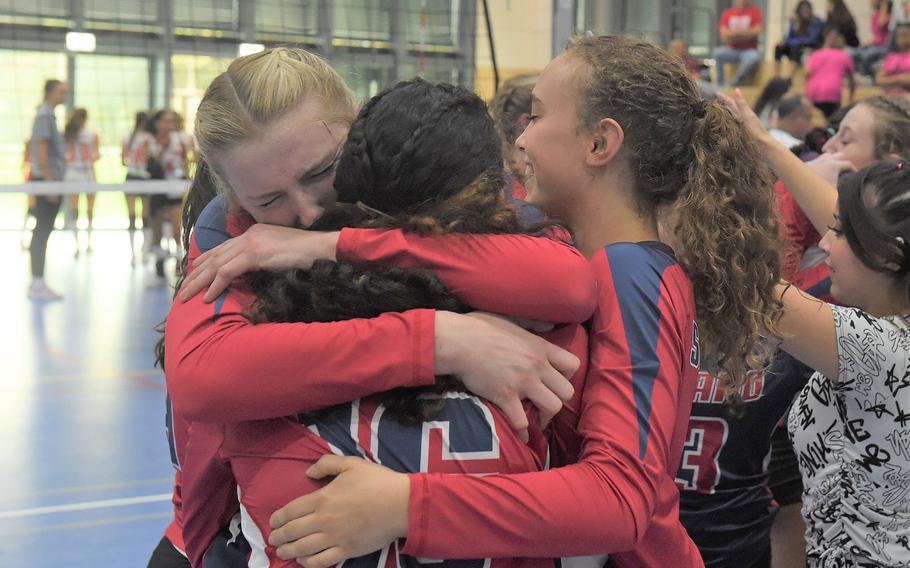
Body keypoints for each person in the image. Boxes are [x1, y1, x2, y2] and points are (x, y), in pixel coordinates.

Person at [206, 34, 782, 568]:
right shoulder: (580, 257)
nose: (521, 137)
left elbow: (622, 498)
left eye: (535, 116)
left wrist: (407, 504)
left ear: (601, 142)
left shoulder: (628, 268)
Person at [152, 47, 593, 568]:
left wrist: (335, 245)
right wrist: (441, 340)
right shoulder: (228, 229)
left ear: (357, 126)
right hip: (230, 531)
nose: (308, 210)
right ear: (234, 197)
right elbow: (204, 377)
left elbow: (566, 284)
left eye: (322, 170)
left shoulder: (430, 170)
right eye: (269, 200)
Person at [723, 87, 910, 568]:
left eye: (841, 232)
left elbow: (737, 275)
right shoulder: (883, 320)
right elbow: (864, 219)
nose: (825, 241)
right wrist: (763, 141)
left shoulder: (885, 350)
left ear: (888, 257)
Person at [27, 79, 69, 301]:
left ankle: (38, 282)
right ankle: (37, 284)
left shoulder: (48, 115)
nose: (66, 95)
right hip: (46, 181)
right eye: (62, 92)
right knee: (41, 232)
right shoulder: (44, 116)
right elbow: (41, 151)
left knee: (43, 232)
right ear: (51, 92)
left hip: (48, 180)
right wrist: (51, 183)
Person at [146, 109, 189, 285]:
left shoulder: (182, 139)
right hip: (157, 189)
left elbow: (188, 158)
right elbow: (148, 164)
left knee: (176, 226)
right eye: (165, 121)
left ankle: (180, 261)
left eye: (172, 121)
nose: (169, 125)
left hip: (176, 187)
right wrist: (161, 149)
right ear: (157, 123)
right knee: (156, 228)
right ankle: (159, 262)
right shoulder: (149, 141)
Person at [63, 107, 100, 254]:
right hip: (87, 172)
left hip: (72, 173)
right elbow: (97, 155)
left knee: (74, 209)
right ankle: (88, 243)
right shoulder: (92, 133)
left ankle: (77, 245)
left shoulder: (67, 133)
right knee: (89, 209)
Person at [712, 0, 764, 87]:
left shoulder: (755, 11)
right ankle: (720, 85)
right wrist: (746, 34)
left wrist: (733, 34)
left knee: (753, 58)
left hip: (749, 50)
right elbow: (723, 34)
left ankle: (733, 83)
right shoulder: (729, 13)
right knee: (717, 53)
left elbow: (757, 30)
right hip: (732, 49)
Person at [806, 30, 855, 119]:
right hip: (832, 92)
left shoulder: (817, 54)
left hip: (814, 91)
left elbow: (807, 72)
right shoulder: (844, 56)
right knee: (832, 118)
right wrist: (851, 96)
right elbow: (851, 79)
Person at [122, 111, 151, 264]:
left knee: (132, 216)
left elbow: (123, 160)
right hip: (144, 177)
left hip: (130, 176)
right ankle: (144, 252)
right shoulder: (147, 138)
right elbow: (148, 158)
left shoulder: (128, 137)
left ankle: (133, 254)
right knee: (145, 216)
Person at [774, 0, 824, 78]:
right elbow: (788, 36)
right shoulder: (794, 20)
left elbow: (811, 39)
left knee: (795, 47)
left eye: (807, 9)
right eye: (803, 9)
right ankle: (776, 76)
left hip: (810, 47)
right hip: (794, 45)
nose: (805, 11)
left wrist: (790, 41)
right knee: (779, 47)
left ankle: (789, 78)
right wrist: (784, 40)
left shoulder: (816, 21)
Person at [855, 0, 892, 82]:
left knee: (866, 55)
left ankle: (871, 77)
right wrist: (866, 43)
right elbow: (876, 36)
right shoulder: (874, 15)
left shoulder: (888, 16)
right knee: (856, 53)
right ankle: (864, 75)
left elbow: (882, 22)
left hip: (884, 46)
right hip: (876, 45)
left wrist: (884, 4)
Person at [877, 23, 910, 96]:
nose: (902, 38)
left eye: (905, 34)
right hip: (890, 99)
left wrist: (890, 79)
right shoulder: (891, 57)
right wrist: (901, 78)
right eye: (899, 35)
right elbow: (879, 80)